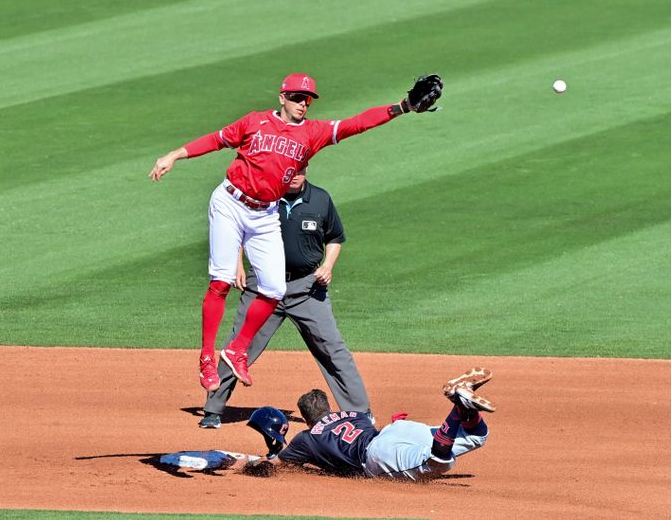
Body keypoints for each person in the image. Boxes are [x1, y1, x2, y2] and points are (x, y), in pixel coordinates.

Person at [149, 73, 443, 392]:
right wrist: (175, 155)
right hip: (230, 203)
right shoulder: (254, 122)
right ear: (282, 97)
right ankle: (207, 357)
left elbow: (355, 124)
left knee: (274, 289)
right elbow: (215, 140)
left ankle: (236, 350)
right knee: (220, 282)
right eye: (297, 97)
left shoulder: (313, 133)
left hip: (264, 213)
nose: (303, 103)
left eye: (307, 99)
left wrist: (402, 106)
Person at [198, 167, 371, 429]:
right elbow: (237, 226)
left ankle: (360, 413)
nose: (296, 174)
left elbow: (335, 237)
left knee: (333, 349)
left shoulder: (321, 199)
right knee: (238, 346)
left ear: (307, 169)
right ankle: (213, 409)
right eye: (292, 170)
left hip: (307, 288)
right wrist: (237, 264)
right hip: (264, 287)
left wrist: (328, 265)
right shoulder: (265, 197)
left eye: (301, 169)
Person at [245, 367, 495, 482]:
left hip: (377, 456)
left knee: (437, 462)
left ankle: (457, 405)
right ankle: (464, 408)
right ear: (328, 407)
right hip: (394, 430)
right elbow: (367, 429)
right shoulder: (355, 415)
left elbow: (274, 465)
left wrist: (246, 464)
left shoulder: (306, 439)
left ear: (308, 418)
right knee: (475, 437)